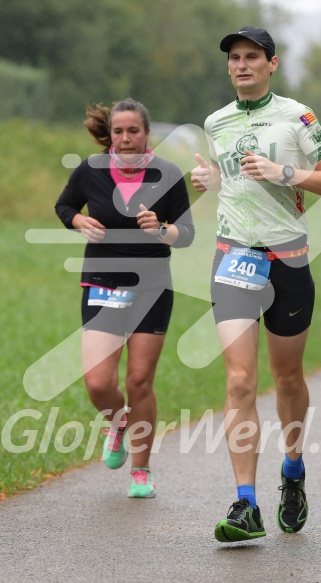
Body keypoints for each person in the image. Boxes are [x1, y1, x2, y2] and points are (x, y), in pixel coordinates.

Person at [191, 26, 321, 542]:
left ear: (271, 63)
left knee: (287, 381)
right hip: (234, 258)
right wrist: (215, 181)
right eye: (234, 57)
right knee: (239, 381)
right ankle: (245, 505)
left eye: (251, 56)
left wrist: (285, 173)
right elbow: (234, 183)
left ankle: (294, 471)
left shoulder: (298, 116)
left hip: (289, 261)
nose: (241, 65)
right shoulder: (216, 122)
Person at [56, 98, 194, 498]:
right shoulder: (91, 171)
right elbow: (64, 206)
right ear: (110, 134)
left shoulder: (167, 174)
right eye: (118, 131)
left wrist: (161, 228)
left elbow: (186, 234)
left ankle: (141, 469)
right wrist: (80, 220)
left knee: (139, 380)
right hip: (102, 283)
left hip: (152, 288)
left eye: (133, 131)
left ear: (147, 133)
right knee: (99, 383)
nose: (126, 138)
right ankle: (118, 423)